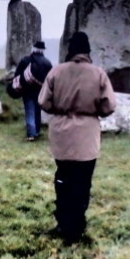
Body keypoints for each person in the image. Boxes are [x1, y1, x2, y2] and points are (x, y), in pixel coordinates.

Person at [38, 32, 116, 245]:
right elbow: (109, 105)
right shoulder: (98, 74)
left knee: (63, 178)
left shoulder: (56, 72)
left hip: (61, 132)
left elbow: (43, 101)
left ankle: (63, 222)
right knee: (82, 182)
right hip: (87, 134)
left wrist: (61, 109)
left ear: (69, 50)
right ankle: (77, 225)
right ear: (87, 51)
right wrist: (92, 110)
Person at [14, 41, 53, 141]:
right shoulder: (47, 62)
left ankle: (31, 134)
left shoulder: (25, 60)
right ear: (43, 50)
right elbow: (50, 79)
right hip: (41, 91)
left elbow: (17, 74)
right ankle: (37, 131)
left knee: (29, 112)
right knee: (37, 111)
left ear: (33, 48)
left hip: (27, 90)